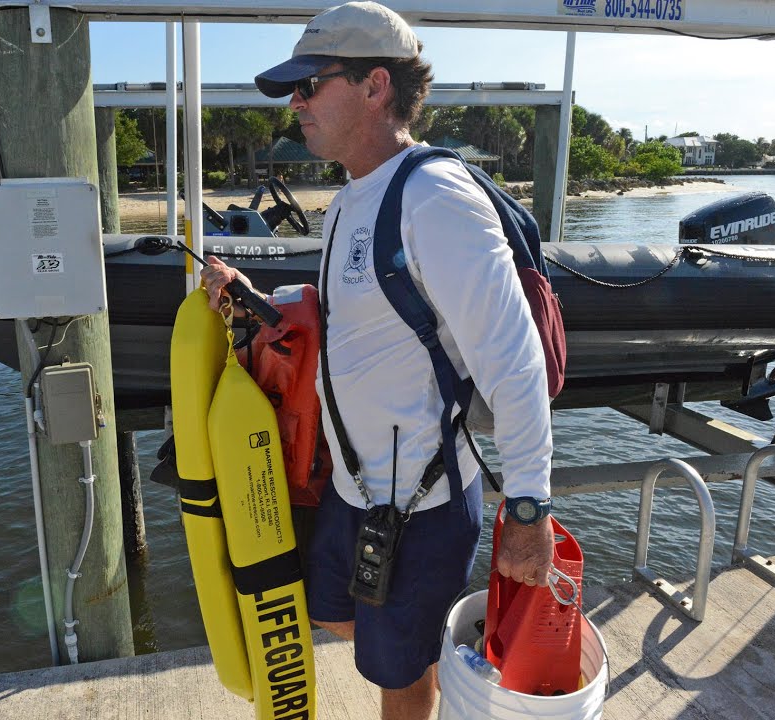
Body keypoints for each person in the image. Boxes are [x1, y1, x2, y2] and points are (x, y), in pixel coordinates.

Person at [199, 3, 555, 718]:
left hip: (419, 503)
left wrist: (527, 506)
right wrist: (254, 299)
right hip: (353, 489)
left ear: (375, 86)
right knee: (334, 612)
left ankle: (418, 668)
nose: (295, 103)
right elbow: (354, 322)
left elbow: (513, 357)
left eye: (310, 85)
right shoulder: (348, 201)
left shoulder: (434, 197)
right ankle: (420, 654)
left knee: (399, 676)